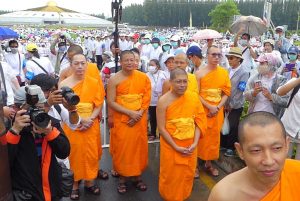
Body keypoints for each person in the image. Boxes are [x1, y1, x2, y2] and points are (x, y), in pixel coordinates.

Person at [208, 111, 300, 201]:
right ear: (240, 151)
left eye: (276, 148)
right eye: (256, 150)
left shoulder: (297, 173)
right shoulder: (225, 195)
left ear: (287, 145)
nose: (269, 161)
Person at [6, 85, 70, 201]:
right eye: (31, 110)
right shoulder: (9, 128)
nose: (36, 114)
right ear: (16, 108)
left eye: (40, 108)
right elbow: (5, 163)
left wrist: (49, 132)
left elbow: (64, 152)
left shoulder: (48, 122)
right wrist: (14, 131)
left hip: (51, 189)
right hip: (26, 193)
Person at [59, 53, 105, 199]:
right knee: (74, 153)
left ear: (87, 64)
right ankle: (74, 183)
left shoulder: (94, 81)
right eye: (76, 63)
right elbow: (62, 107)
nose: (80, 66)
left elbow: (98, 104)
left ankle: (90, 181)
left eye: (83, 63)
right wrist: (79, 121)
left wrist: (90, 119)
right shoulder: (63, 84)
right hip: (73, 124)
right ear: (71, 65)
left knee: (90, 153)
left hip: (90, 123)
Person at [157, 68, 206, 201]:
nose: (182, 85)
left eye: (185, 81)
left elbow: (199, 122)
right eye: (178, 82)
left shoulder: (193, 97)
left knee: (187, 174)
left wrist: (195, 143)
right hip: (171, 146)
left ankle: (183, 196)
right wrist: (175, 146)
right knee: (171, 175)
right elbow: (161, 128)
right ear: (171, 82)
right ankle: (169, 197)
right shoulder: (163, 101)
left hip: (190, 145)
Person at [107, 50, 151, 194]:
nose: (130, 62)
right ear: (121, 62)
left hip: (139, 119)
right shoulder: (114, 79)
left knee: (138, 148)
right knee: (123, 149)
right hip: (123, 121)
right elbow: (111, 102)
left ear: (136, 61)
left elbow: (146, 99)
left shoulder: (143, 78)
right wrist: (130, 113)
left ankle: (137, 176)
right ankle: (122, 178)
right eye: (126, 60)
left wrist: (138, 114)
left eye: (133, 60)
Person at [196, 46, 231, 177]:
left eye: (219, 55)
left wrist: (217, 107)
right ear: (207, 56)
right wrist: (209, 107)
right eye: (213, 55)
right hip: (203, 110)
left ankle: (208, 164)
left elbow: (226, 92)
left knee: (214, 139)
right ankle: (195, 165)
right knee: (200, 137)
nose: (216, 57)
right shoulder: (199, 74)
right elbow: (196, 93)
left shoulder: (223, 73)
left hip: (217, 110)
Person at [221, 47, 249, 157]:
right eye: (228, 57)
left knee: (233, 125)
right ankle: (223, 144)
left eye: (231, 58)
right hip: (225, 102)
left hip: (236, 104)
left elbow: (240, 90)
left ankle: (231, 147)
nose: (229, 60)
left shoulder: (244, 73)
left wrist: (232, 104)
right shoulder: (227, 71)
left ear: (238, 59)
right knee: (224, 123)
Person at [244, 53, 288, 118]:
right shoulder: (254, 78)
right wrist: (253, 93)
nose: (259, 66)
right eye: (259, 63)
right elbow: (245, 96)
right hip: (255, 114)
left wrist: (271, 97)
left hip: (273, 117)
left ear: (271, 64)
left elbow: (286, 101)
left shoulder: (281, 80)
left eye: (262, 63)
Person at [277, 77, 300, 160]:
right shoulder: (296, 82)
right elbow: (279, 92)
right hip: (288, 127)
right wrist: (298, 80)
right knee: (283, 160)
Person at [146, 59, 167, 141]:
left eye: (152, 65)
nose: (150, 67)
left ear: (157, 66)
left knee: (161, 118)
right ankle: (153, 133)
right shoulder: (146, 75)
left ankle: (162, 134)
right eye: (149, 65)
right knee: (152, 118)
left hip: (161, 100)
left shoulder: (163, 74)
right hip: (151, 101)